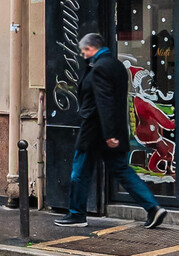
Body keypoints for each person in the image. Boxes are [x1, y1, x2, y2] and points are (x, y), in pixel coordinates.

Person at [55, 32, 167, 231]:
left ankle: (77, 214)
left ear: (91, 48)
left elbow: (104, 102)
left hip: (95, 131)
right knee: (123, 171)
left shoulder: (99, 68)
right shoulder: (115, 65)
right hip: (112, 129)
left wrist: (109, 134)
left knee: (79, 172)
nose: (82, 55)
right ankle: (152, 207)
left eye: (83, 51)